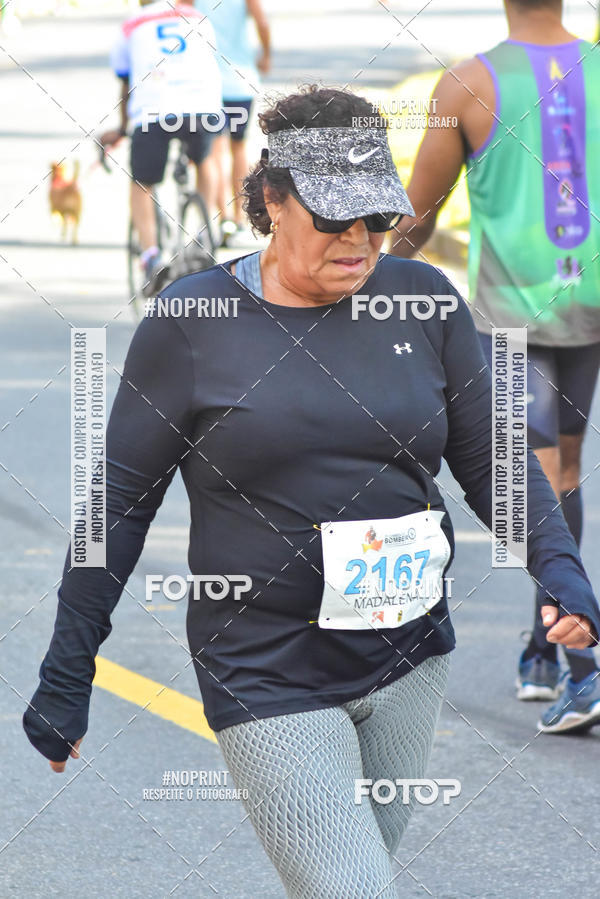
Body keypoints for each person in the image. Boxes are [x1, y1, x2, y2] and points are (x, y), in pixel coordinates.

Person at [24, 86, 599, 897]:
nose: (361, 240)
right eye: (335, 219)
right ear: (272, 198)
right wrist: (66, 669)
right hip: (265, 665)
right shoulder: (194, 321)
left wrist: (560, 570)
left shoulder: (426, 302)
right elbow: (120, 505)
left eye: (377, 218)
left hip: (408, 656)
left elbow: (494, 462)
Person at [389, 0, 600, 733]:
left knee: (537, 484)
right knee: (562, 476)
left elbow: (416, 215)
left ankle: (584, 669)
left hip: (515, 311)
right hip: (591, 299)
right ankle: (544, 647)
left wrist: (370, 287)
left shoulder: (467, 87)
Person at [99, 0, 222, 295]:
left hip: (155, 110)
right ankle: (204, 235)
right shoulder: (198, 17)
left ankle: (151, 256)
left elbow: (125, 81)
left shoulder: (133, 24)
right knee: (205, 160)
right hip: (201, 106)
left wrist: (124, 126)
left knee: (143, 183)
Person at [195, 0, 271, 247]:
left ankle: (223, 217)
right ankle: (239, 216)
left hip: (206, 82)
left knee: (214, 151)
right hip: (240, 79)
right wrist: (265, 55)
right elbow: (262, 22)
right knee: (238, 147)